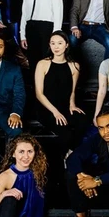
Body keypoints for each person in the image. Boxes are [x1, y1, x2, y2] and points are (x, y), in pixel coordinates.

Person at [34, 31, 89, 166]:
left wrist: (72, 104)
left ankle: (70, 153)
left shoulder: (74, 66)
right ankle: (61, 163)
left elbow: (72, 90)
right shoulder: (43, 64)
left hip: (65, 106)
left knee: (83, 121)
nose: (56, 47)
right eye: (53, 43)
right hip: (47, 108)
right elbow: (39, 94)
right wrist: (55, 112)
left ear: (66, 45)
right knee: (66, 133)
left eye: (59, 43)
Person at [20, 0, 63, 67]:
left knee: (46, 61)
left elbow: (58, 13)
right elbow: (24, 13)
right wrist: (22, 35)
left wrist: (55, 35)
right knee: (33, 62)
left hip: (46, 28)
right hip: (31, 27)